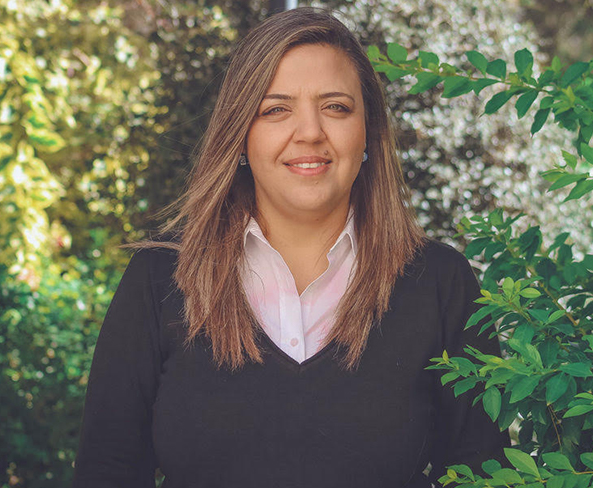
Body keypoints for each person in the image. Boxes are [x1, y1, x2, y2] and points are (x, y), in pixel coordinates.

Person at [72, 7, 509, 488]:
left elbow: (483, 475)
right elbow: (106, 472)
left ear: (368, 131)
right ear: (241, 134)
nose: (310, 132)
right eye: (276, 109)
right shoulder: (159, 278)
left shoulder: (440, 283)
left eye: (336, 107)